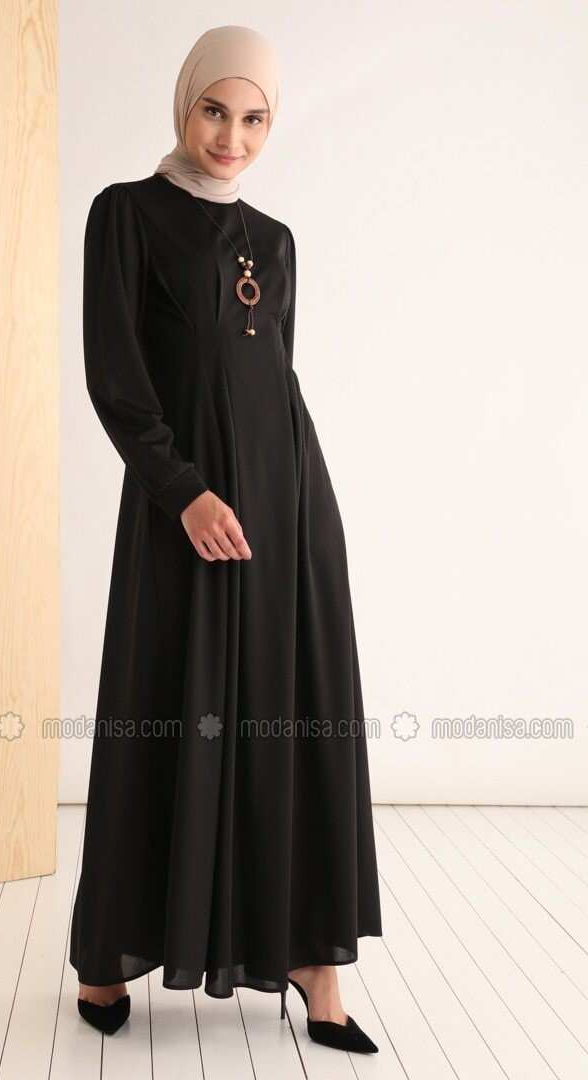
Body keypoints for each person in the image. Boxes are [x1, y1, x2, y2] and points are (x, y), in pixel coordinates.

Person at [69, 25, 383, 1055]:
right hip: (184, 517)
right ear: (184, 102)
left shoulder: (275, 240)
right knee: (167, 709)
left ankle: (311, 961)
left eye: (254, 119)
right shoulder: (125, 216)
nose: (231, 137)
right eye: (214, 110)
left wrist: (289, 506)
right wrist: (186, 494)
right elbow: (118, 382)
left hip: (289, 510)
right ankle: (111, 949)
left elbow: (271, 379)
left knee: (293, 716)